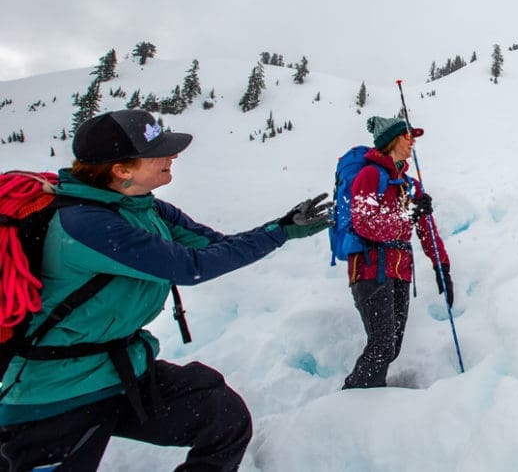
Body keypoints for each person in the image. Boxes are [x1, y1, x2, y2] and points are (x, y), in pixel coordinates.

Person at [0, 109, 331, 470]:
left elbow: (211, 246)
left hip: (121, 371)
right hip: (57, 392)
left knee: (223, 418)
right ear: (121, 169)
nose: (172, 155)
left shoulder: (144, 207)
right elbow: (190, 266)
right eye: (158, 151)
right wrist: (279, 234)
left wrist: (280, 227)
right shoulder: (85, 225)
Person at [341, 116, 452, 389]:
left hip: (400, 272)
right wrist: (407, 215)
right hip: (370, 268)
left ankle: (368, 397)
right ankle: (352, 401)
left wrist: (442, 266)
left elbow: (426, 228)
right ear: (391, 140)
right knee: (382, 344)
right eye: (407, 136)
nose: (412, 141)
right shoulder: (369, 176)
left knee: (391, 347)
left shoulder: (410, 185)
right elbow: (364, 223)